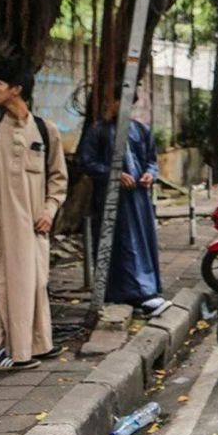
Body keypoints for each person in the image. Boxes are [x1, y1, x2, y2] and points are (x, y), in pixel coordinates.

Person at [0, 58, 68, 371]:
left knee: (34, 283)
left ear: (16, 89)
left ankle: (36, 344)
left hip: (34, 227)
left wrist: (50, 210)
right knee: (0, 286)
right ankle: (1, 351)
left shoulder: (46, 132)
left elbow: (58, 178)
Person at [78, 94, 169, 317]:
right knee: (120, 244)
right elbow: (86, 162)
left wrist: (150, 174)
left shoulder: (141, 130)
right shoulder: (98, 131)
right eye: (118, 101)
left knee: (142, 242)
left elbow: (151, 160)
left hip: (138, 198)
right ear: (112, 102)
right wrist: (113, 175)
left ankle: (146, 291)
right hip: (111, 201)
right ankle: (135, 294)